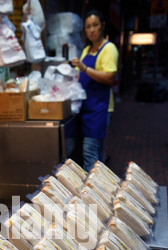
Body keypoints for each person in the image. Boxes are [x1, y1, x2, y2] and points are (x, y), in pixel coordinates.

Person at [71, 10, 119, 171]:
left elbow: (109, 77)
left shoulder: (109, 48)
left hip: (100, 108)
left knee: (90, 151)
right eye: (88, 26)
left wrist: (85, 68)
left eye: (95, 25)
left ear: (102, 26)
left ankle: (90, 193)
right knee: (94, 154)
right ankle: (99, 191)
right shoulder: (86, 50)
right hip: (86, 108)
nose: (92, 30)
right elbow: (81, 75)